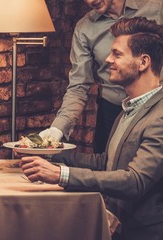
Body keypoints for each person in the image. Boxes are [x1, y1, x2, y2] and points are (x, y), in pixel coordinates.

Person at [21, 17, 163, 240]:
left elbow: (135, 181)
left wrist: (61, 175)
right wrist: (53, 156)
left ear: (143, 62)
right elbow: (106, 162)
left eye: (117, 54)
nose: (107, 60)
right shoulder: (129, 107)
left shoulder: (159, 116)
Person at [41, 0, 163, 153]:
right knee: (107, 168)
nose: (90, 1)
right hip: (111, 112)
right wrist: (57, 129)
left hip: (156, 107)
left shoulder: (157, 9)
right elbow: (78, 86)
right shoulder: (84, 28)